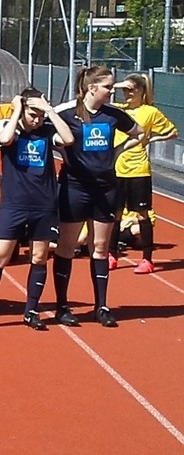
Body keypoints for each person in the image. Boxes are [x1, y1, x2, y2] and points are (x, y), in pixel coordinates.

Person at [0, 89, 74, 332]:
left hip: (43, 205)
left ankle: (31, 311)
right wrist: (17, 110)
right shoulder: (8, 123)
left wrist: (49, 111)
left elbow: (68, 140)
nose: (38, 120)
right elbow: (5, 139)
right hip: (14, 204)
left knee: (39, 258)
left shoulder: (46, 130)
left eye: (40, 115)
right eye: (34, 115)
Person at [50, 66, 142, 327]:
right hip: (74, 186)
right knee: (67, 246)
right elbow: (48, 134)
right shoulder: (67, 112)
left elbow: (139, 133)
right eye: (108, 87)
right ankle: (62, 306)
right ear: (92, 88)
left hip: (105, 187)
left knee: (100, 249)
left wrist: (117, 152)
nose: (113, 90)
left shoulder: (114, 115)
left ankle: (101, 306)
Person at [114, 72, 177, 273]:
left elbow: (172, 131)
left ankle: (147, 260)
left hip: (137, 170)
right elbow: (97, 94)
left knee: (142, 214)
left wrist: (151, 140)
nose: (127, 93)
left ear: (141, 91)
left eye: (131, 89)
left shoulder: (149, 112)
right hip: (115, 169)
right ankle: (111, 254)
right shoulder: (117, 110)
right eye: (124, 90)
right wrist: (118, 84)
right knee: (114, 214)